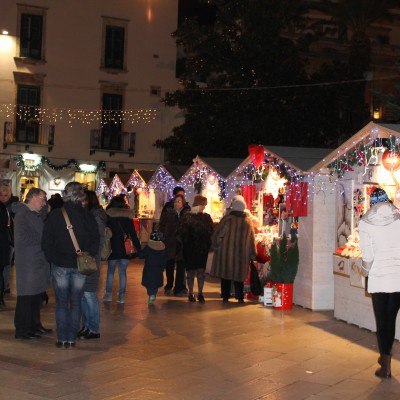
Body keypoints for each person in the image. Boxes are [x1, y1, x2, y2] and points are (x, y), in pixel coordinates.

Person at [42, 182, 99, 349]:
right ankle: (72, 338)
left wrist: (52, 257)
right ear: (81, 196)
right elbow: (95, 239)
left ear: (65, 195)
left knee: (61, 302)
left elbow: (46, 241)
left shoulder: (55, 215)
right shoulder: (87, 216)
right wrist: (88, 255)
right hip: (79, 264)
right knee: (75, 302)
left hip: (60, 264)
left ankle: (62, 338)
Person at [358, 187, 400, 379]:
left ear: (372, 204)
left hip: (379, 279)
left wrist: (363, 272)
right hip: (398, 278)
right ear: (388, 201)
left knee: (383, 322)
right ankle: (385, 360)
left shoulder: (365, 223)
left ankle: (386, 364)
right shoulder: (398, 219)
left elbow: (368, 257)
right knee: (391, 319)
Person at [12, 188, 51, 340]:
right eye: (42, 199)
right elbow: (22, 239)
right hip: (28, 262)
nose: (44, 202)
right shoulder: (23, 214)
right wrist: (44, 241)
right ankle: (22, 330)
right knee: (26, 297)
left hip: (37, 261)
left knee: (36, 295)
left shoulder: (34, 214)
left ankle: (35, 325)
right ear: (32, 198)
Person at [210, 195, 256, 303]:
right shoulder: (248, 221)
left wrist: (216, 245)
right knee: (239, 276)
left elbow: (218, 234)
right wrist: (252, 253)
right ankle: (240, 297)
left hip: (227, 253)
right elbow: (251, 239)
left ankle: (225, 296)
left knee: (226, 275)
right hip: (242, 254)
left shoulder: (227, 219)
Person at [77, 190, 107, 340]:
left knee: (89, 294)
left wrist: (90, 254)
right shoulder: (89, 215)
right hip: (86, 258)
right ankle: (87, 326)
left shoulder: (96, 216)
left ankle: (94, 328)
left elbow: (98, 239)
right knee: (83, 294)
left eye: (83, 200)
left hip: (91, 259)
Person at [104, 195, 141, 304]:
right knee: (122, 272)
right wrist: (139, 250)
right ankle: (121, 296)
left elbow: (106, 233)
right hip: (125, 249)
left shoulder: (109, 217)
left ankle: (108, 295)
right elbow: (133, 235)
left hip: (113, 249)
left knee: (110, 272)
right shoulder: (128, 218)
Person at [178, 195, 214, 303]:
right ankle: (193, 293)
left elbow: (181, 233)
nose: (204, 207)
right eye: (203, 205)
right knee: (194, 272)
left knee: (197, 271)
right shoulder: (194, 217)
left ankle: (198, 293)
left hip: (197, 249)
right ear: (199, 205)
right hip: (194, 249)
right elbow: (182, 233)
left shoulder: (192, 217)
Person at [158, 193, 190, 296]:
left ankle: (179, 288)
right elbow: (161, 227)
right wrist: (162, 238)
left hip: (182, 244)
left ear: (183, 202)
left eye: (179, 201)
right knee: (169, 265)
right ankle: (169, 285)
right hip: (170, 243)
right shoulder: (168, 213)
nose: (177, 203)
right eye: (175, 201)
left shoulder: (187, 214)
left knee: (181, 266)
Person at [0, 181, 19, 296]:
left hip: (10, 239)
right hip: (5, 238)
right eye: (1, 195)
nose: (3, 197)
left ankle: (5, 285)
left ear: (10, 195)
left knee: (7, 264)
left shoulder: (15, 206)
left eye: (5, 195)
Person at [139, 231, 167, 305]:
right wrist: (163, 267)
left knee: (149, 284)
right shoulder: (163, 248)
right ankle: (153, 295)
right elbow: (165, 260)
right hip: (158, 270)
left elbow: (141, 255)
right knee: (155, 284)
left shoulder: (148, 247)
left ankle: (150, 294)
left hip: (149, 269)